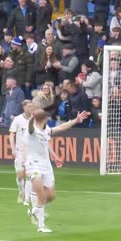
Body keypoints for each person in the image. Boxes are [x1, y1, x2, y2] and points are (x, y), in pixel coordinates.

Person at [22, 95, 90, 233]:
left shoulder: (47, 130)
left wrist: (76, 120)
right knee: (40, 193)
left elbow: (62, 127)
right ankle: (41, 225)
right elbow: (30, 127)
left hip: (46, 166)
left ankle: (35, 210)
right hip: (33, 165)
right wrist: (31, 117)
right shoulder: (32, 131)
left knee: (51, 196)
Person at [8, 98, 35, 205]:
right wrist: (13, 148)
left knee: (29, 175)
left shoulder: (35, 119)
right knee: (20, 175)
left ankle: (27, 199)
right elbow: (12, 134)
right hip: (20, 151)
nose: (31, 108)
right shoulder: (18, 119)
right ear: (24, 108)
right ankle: (21, 191)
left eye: (32, 106)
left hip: (31, 151)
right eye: (29, 106)